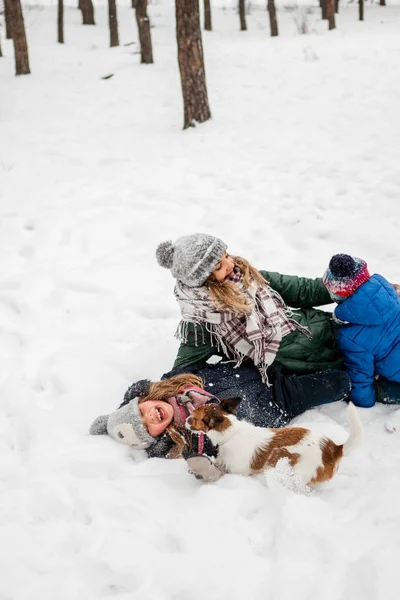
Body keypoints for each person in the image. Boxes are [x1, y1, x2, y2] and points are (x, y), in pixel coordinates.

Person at [90, 360, 351, 481]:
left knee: (327, 349)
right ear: (158, 435)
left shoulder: (178, 378)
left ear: (144, 398)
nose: (149, 418)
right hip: (281, 398)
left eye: (140, 412)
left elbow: (196, 346)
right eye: (147, 428)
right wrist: (197, 461)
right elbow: (200, 453)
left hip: (262, 362)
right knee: (342, 381)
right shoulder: (191, 434)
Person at [155, 233, 344, 378]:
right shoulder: (204, 321)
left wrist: (345, 286)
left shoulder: (251, 278)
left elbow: (304, 291)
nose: (230, 265)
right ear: (203, 281)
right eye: (219, 267)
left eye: (226, 255)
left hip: (325, 331)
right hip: (305, 367)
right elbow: (183, 370)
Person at [323, 254, 400, 408]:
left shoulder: (351, 337)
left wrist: (363, 401)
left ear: (337, 296)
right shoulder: (389, 291)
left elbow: (360, 377)